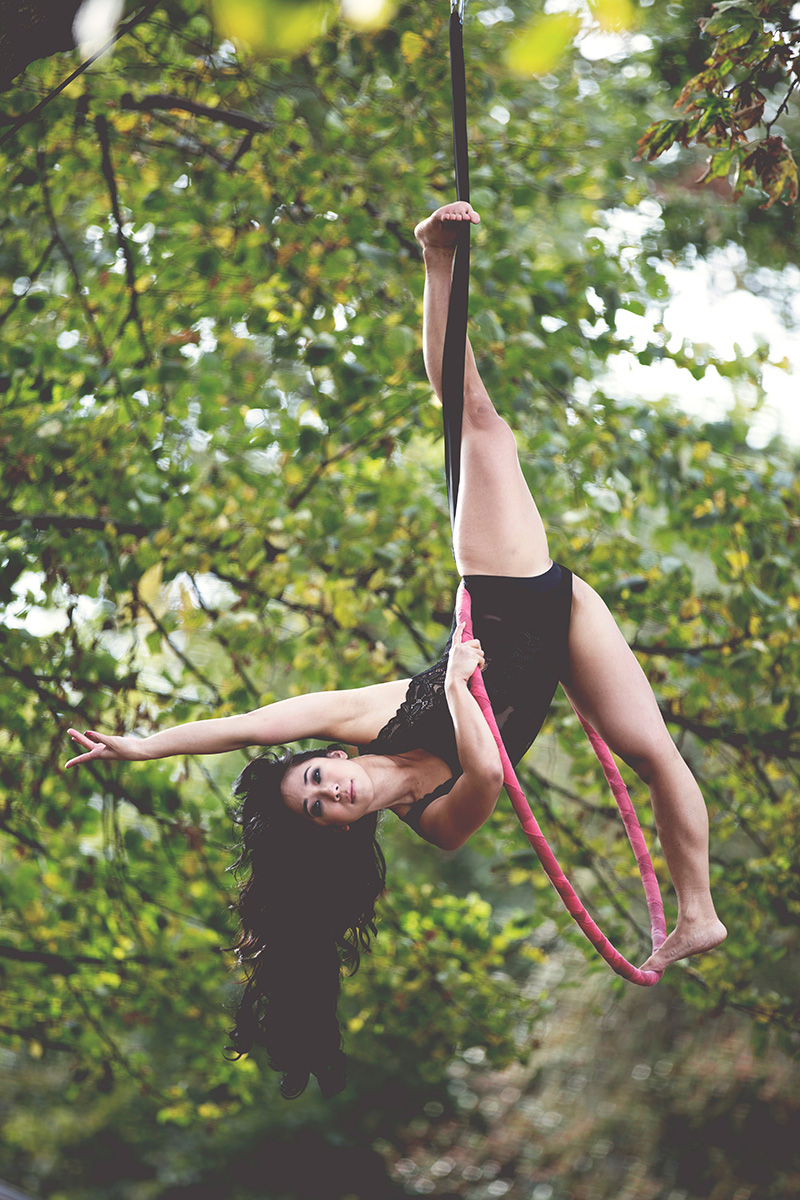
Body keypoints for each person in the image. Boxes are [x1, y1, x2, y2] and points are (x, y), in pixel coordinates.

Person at [66, 202, 726, 1098]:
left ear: (330, 760)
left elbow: (247, 724)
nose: (329, 792)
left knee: (476, 422)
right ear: (341, 830)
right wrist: (460, 693)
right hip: (565, 627)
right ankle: (697, 915)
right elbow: (488, 779)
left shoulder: (367, 719)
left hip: (504, 594)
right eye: (320, 811)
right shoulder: (435, 823)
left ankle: (437, 258)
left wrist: (145, 744)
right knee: (652, 754)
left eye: (314, 781)